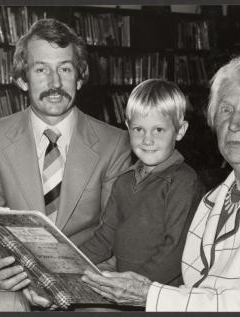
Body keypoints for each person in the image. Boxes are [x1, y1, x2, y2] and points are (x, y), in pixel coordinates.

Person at [81, 55, 240, 312]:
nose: (235, 124)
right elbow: (198, 290)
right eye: (226, 110)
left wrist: (148, 295)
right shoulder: (215, 198)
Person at [0, 19, 131, 311]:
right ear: (22, 79)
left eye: (65, 69)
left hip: (87, 279)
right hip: (12, 277)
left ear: (79, 77)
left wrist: (67, 285)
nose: (54, 83)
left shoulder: (114, 143)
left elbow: (117, 234)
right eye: (41, 70)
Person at [80, 79, 206, 288]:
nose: (147, 140)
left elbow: (175, 251)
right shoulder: (124, 180)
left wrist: (133, 286)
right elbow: (104, 238)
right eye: (138, 129)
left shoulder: (183, 181)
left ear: (180, 130)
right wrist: (67, 262)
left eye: (158, 130)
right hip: (123, 285)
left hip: (162, 292)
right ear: (128, 127)